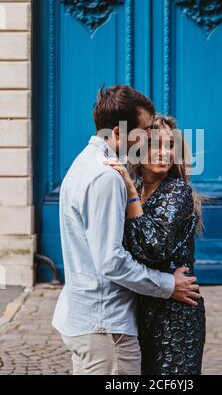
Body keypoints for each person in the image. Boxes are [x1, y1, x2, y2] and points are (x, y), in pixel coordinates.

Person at [52, 85, 201, 375]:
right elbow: (111, 261)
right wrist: (168, 285)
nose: (148, 138)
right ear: (119, 132)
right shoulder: (107, 177)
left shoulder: (82, 165)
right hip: (105, 324)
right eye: (145, 131)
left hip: (98, 320)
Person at [106, 114, 206, 375]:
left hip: (175, 316)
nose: (163, 153)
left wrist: (129, 191)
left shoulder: (176, 191)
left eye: (170, 146)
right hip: (140, 308)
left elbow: (153, 247)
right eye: (154, 145)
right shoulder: (138, 188)